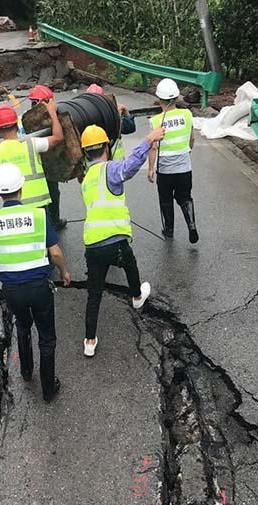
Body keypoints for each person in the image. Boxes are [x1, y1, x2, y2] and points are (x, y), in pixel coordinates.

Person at [0, 163, 71, 402]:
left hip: (12, 289)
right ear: (21, 188)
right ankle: (48, 389)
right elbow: (55, 253)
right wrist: (63, 272)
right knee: (46, 336)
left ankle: (26, 371)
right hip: (40, 286)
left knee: (22, 326)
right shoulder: (39, 216)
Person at [79, 124, 165, 357]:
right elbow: (130, 166)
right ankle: (137, 296)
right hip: (115, 240)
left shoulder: (87, 178)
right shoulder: (111, 169)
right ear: (107, 146)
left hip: (93, 244)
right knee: (130, 264)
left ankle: (89, 341)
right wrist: (149, 139)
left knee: (94, 294)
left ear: (85, 152)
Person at [147, 78, 199, 244]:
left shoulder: (155, 121)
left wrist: (150, 168)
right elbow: (191, 139)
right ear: (176, 98)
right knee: (185, 197)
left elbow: (154, 147)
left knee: (166, 199)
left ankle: (169, 229)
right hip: (184, 167)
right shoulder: (187, 114)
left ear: (159, 99)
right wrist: (187, 150)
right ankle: (191, 225)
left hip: (165, 170)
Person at [0, 100, 63, 210]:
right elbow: (58, 137)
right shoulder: (32, 144)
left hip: (14, 207)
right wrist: (52, 112)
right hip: (39, 205)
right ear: (17, 125)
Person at [26, 85, 67, 230]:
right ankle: (52, 223)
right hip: (42, 165)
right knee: (50, 194)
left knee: (51, 194)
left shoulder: (25, 119)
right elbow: (59, 138)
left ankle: (50, 222)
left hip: (38, 165)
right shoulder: (46, 119)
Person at [85, 83, 136, 159]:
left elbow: (130, 128)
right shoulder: (109, 114)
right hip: (112, 163)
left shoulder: (109, 113)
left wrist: (125, 112)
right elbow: (130, 128)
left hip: (113, 162)